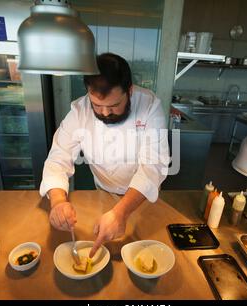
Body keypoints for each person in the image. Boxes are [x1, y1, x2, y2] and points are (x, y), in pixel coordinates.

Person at [39, 53, 169, 257]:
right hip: (102, 192)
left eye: (114, 105)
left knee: (142, 253)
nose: (106, 113)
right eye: (97, 106)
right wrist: (57, 201)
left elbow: (153, 166)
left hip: (143, 198)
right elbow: (58, 157)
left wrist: (121, 212)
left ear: (130, 91)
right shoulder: (79, 110)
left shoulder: (150, 106)